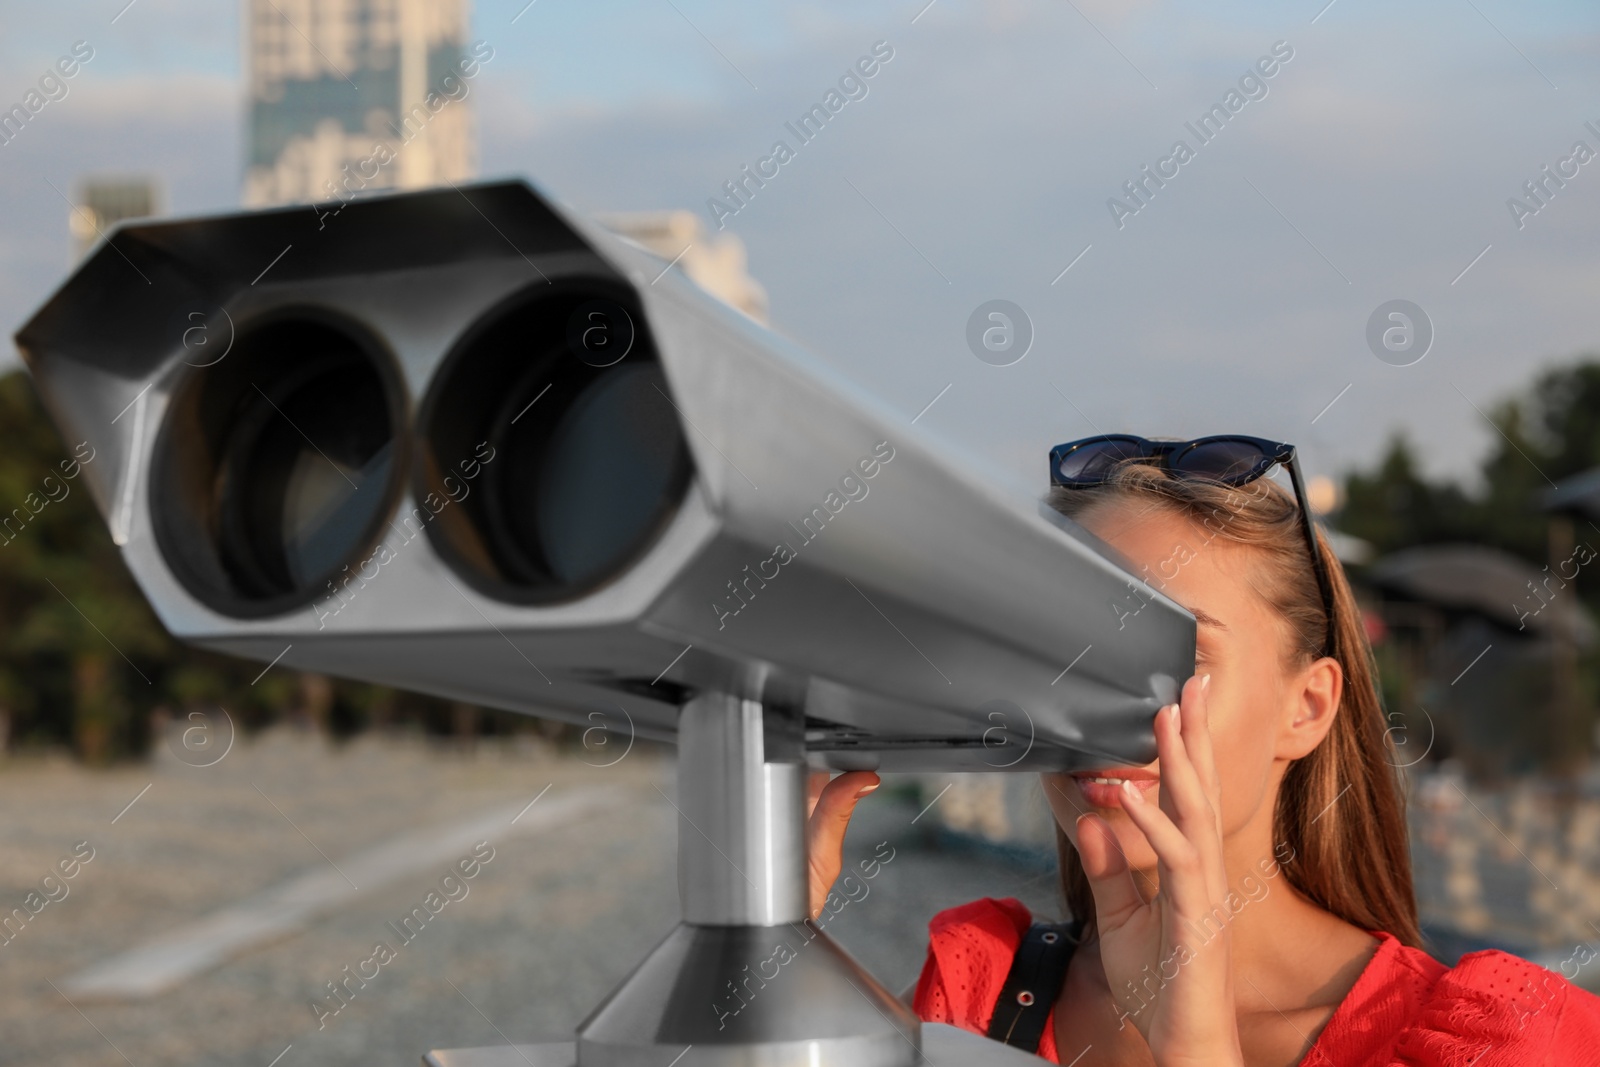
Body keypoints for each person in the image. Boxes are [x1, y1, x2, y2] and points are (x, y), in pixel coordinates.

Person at [806, 435, 1600, 1066]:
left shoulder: (1502, 1044)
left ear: (1308, 706)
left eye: (1173, 654)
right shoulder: (979, 998)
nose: (1103, 703)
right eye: (1065, 651)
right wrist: (763, 941)